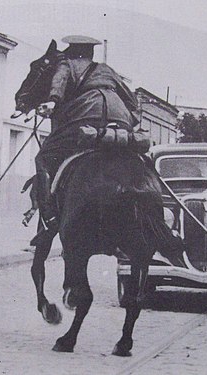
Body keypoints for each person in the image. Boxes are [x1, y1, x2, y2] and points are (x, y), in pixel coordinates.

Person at [34, 35, 139, 236]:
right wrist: (128, 122)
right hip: (121, 120)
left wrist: (53, 101)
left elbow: (59, 81)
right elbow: (132, 102)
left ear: (72, 51)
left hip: (86, 117)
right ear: (91, 52)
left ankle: (48, 216)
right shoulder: (107, 70)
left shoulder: (67, 64)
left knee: (43, 158)